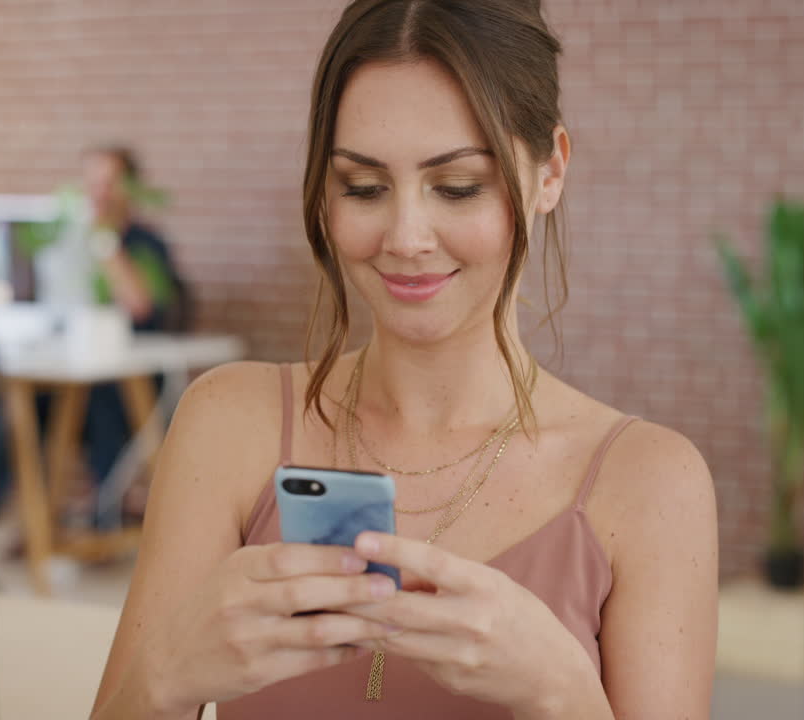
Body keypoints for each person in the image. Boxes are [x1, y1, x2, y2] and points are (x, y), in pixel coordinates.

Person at [91, 1, 717, 718]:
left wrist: (564, 691)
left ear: (550, 172)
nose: (406, 237)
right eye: (364, 187)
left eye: (458, 187)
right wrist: (168, 677)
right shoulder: (229, 423)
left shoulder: (650, 483)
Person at [80, 146, 192, 526]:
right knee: (19, 409)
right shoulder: (71, 239)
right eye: (92, 182)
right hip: (80, 368)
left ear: (131, 187)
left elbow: (140, 305)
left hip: (136, 374)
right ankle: (30, 523)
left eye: (109, 182)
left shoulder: (145, 244)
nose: (100, 192)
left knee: (103, 404)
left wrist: (106, 244)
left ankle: (105, 521)